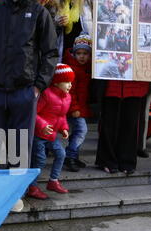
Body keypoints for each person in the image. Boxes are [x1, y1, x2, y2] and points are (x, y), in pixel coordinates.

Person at [0, 0, 59, 211]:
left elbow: (50, 52)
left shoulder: (39, 13)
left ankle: (15, 195)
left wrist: (38, 86)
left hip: (24, 91)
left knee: (19, 145)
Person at [26, 64, 74, 199]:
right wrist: (42, 125)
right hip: (39, 135)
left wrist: (64, 128)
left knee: (61, 154)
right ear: (57, 82)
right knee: (39, 160)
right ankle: (32, 187)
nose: (70, 85)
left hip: (52, 135)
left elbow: (62, 115)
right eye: (66, 82)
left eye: (71, 82)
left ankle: (53, 181)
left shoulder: (67, 97)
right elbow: (34, 113)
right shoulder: (46, 94)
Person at [96, 78, 150, 175]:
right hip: (111, 82)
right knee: (109, 123)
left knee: (130, 123)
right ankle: (107, 161)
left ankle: (126, 161)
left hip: (135, 84)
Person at [62, 32, 92, 172]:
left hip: (80, 106)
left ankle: (74, 156)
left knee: (77, 132)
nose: (82, 56)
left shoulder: (86, 68)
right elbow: (70, 92)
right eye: (78, 53)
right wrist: (74, 108)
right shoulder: (72, 69)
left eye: (85, 53)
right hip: (74, 107)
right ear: (74, 54)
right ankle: (70, 156)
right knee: (82, 130)